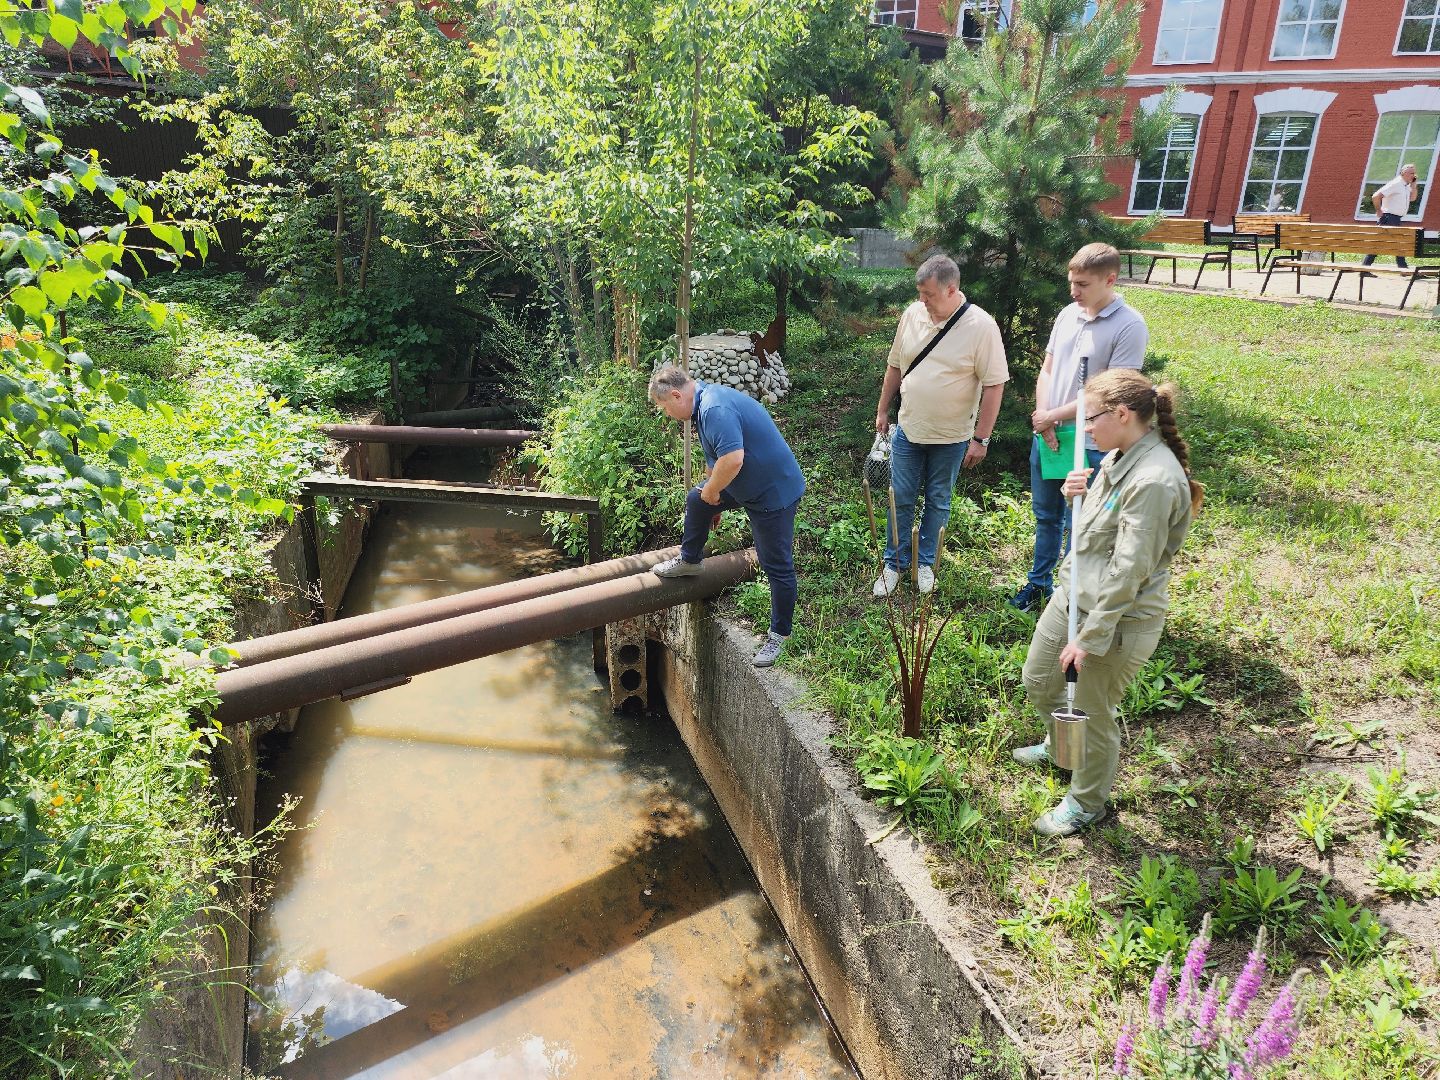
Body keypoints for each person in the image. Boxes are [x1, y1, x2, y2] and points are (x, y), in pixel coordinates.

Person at [1013, 368, 1203, 837]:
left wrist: (1091, 638)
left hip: (1117, 618)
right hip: (1073, 597)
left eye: (1091, 417)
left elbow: (1129, 570)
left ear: (1121, 414)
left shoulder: (1155, 479)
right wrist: (1076, 492)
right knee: (1038, 679)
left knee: (1093, 712)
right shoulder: (1117, 455)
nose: (1085, 427)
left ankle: (1087, 799)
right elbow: (1098, 533)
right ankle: (1063, 747)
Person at [1009, 243, 1148, 613]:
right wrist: (1044, 417)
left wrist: (1053, 416)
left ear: (1110, 279)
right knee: (1047, 515)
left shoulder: (1129, 325)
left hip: (1090, 440)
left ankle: (1072, 595)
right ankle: (1038, 585)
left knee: (1082, 522)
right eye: (1072, 282)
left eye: (1083, 284)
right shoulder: (1068, 315)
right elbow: (1048, 369)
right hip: (1050, 435)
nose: (1074, 291)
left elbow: (1113, 392)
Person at [648, 365, 805, 668]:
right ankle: (689, 560)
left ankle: (779, 635)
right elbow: (716, 462)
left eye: (665, 407)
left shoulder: (715, 408)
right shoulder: (702, 408)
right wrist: (712, 502)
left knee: (777, 565)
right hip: (749, 484)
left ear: (677, 395)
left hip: (773, 493)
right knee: (697, 499)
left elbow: (733, 460)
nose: (667, 414)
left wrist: (712, 492)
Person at [872, 254, 1008, 598]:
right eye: (920, 293)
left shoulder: (981, 326)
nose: (922, 301)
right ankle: (894, 564)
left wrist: (982, 439)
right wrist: (883, 410)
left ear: (951, 290)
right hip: (909, 429)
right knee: (899, 497)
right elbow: (894, 366)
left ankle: (926, 563)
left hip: (951, 437)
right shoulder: (912, 314)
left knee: (937, 499)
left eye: (929, 294)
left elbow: (994, 385)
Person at [1361, 163, 1419, 270]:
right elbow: (1376, 196)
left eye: (1414, 173)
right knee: (1385, 243)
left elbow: (1412, 198)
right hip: (1389, 218)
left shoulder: (1405, 186)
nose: (1414, 175)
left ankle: (1365, 268)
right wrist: (1379, 210)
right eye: (1411, 173)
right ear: (1403, 173)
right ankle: (1403, 268)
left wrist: (1414, 186)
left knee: (1390, 244)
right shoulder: (1396, 183)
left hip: (1395, 218)